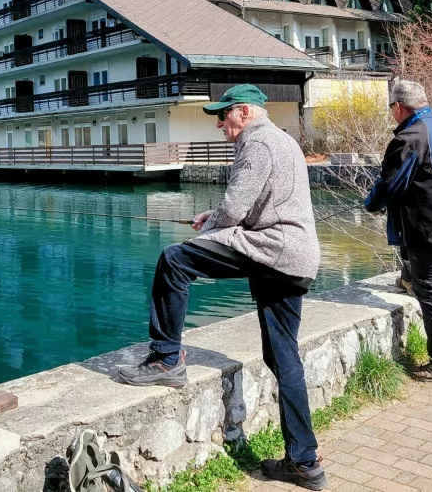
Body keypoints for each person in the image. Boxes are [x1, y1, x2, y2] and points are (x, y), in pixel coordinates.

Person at [117, 84, 326, 491]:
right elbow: (253, 204)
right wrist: (213, 217)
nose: (219, 123)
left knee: (174, 259)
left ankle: (166, 360)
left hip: (271, 251)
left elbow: (235, 209)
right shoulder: (282, 140)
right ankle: (304, 462)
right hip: (296, 258)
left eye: (223, 114)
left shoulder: (257, 143)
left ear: (244, 112)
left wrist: (212, 224)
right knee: (283, 357)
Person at [365, 80, 432, 384]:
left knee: (431, 290)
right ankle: (407, 277)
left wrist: (371, 204)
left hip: (430, 223)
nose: (391, 113)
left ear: (399, 107)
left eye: (391, 108)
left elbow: (391, 183)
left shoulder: (411, 136)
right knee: (425, 280)